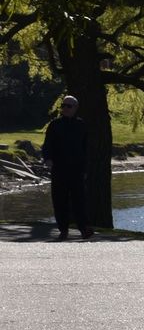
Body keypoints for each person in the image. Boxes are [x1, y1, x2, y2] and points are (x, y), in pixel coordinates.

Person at [41, 95, 92, 240]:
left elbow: (86, 148)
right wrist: (48, 159)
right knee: (59, 200)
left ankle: (84, 228)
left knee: (79, 200)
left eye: (69, 106)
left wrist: (86, 169)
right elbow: (47, 145)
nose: (65, 108)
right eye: (63, 105)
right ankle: (63, 229)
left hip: (77, 169)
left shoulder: (81, 125)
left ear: (75, 108)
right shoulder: (55, 125)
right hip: (59, 168)